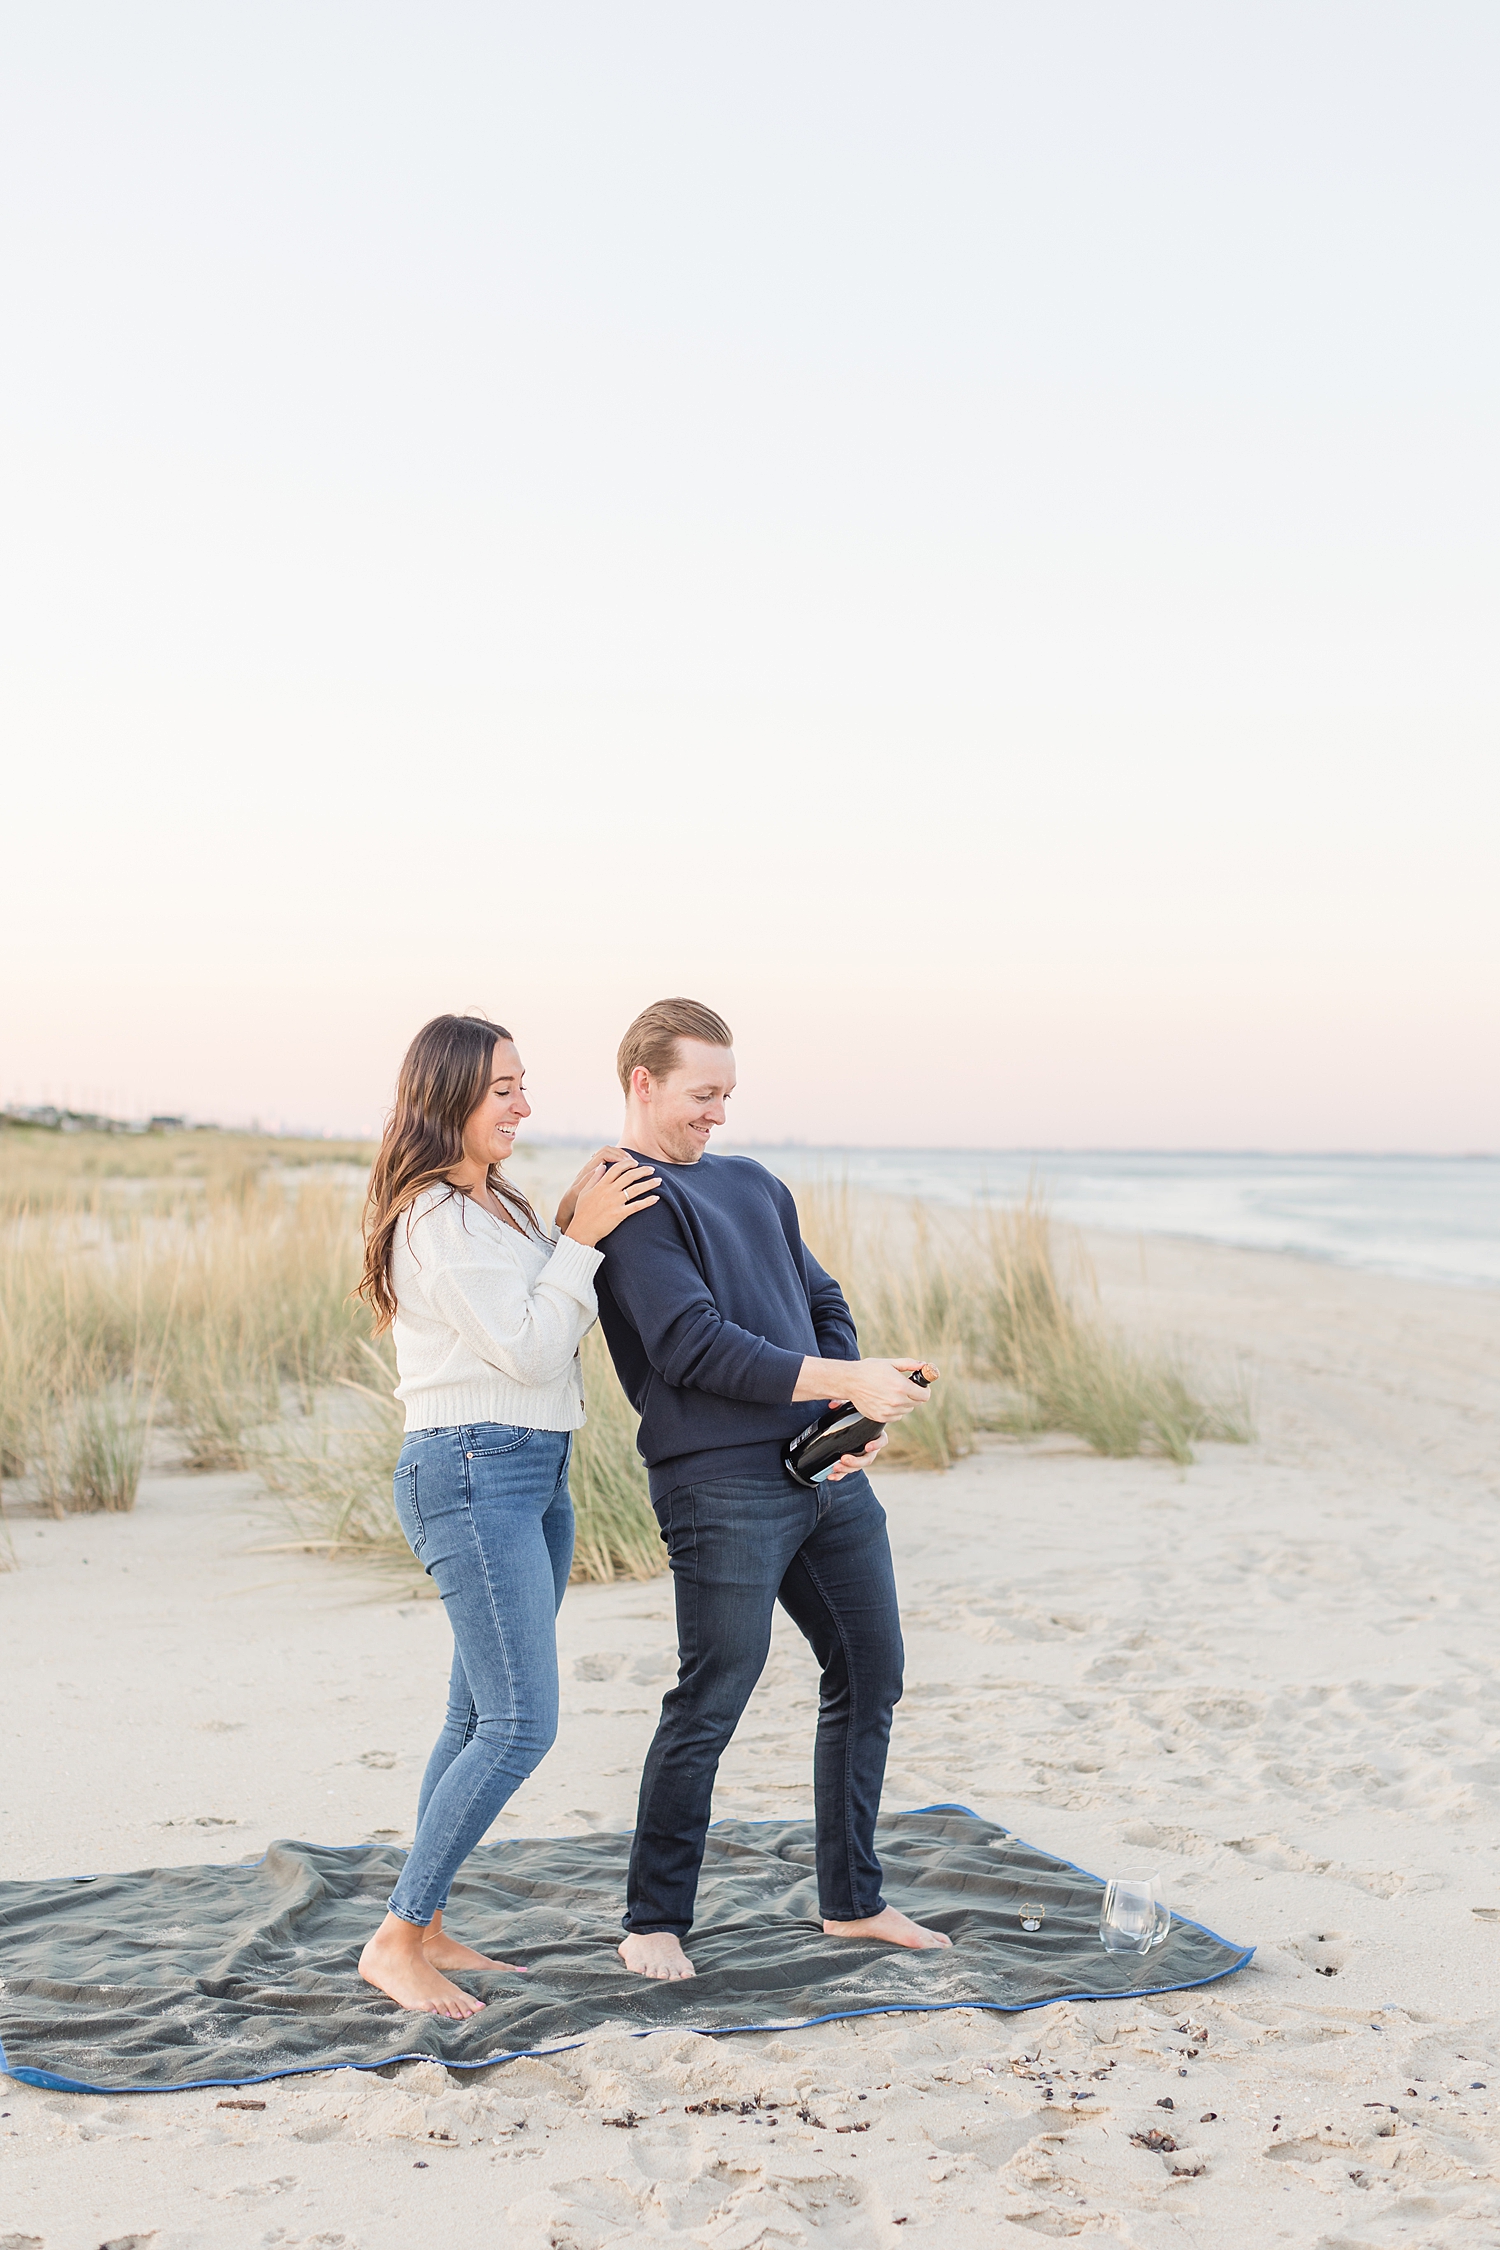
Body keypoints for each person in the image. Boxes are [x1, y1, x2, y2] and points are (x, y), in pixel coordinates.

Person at [592, 996, 952, 1980]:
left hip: (823, 1474)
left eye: (728, 1094)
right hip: (717, 1486)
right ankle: (653, 1919)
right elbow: (691, 1345)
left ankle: (853, 1903)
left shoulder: (754, 1184)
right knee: (715, 1692)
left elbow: (821, 1301)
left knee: (871, 1671)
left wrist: (848, 1421)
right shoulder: (622, 1197)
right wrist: (846, 1379)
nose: (719, 1114)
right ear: (643, 1082)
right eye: (702, 1094)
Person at [354, 1012, 658, 2016]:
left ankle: (429, 1921)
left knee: (475, 1713)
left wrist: (567, 1223)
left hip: (533, 1470)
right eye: (502, 1090)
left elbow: (545, 1307)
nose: (524, 1105)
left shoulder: (500, 1207)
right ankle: (396, 1940)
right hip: (472, 1470)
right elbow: (529, 1348)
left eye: (523, 1085)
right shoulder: (436, 1218)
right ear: (446, 1099)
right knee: (521, 1724)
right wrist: (577, 1236)